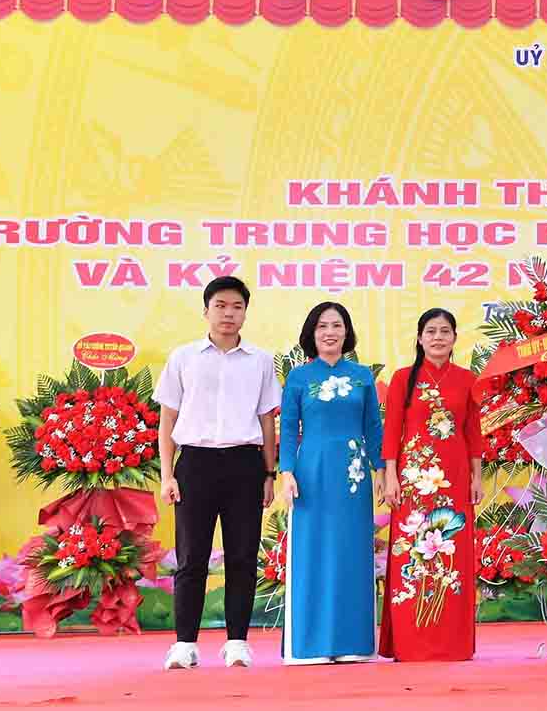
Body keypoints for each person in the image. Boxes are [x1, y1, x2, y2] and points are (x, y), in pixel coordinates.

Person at [156, 276, 282, 670]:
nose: (229, 314)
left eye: (237, 307)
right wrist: (167, 475)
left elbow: (266, 421)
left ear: (246, 312)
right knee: (191, 557)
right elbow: (167, 421)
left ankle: (237, 641)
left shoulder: (260, 360)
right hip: (194, 463)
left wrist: (268, 474)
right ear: (206, 310)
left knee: (242, 557)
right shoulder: (183, 357)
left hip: (245, 464)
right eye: (221, 306)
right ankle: (184, 644)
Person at [277, 302, 385, 665]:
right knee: (314, 552)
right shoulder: (298, 378)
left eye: (337, 325)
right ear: (312, 333)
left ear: (346, 332)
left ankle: (353, 642)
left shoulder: (362, 376)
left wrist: (383, 470)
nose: (330, 332)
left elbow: (374, 428)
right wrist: (287, 470)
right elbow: (289, 428)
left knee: (351, 551)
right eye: (322, 326)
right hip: (310, 473)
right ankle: (311, 645)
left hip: (353, 474)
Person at [379, 308, 485, 662]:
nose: (438, 337)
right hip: (413, 481)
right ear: (420, 338)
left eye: (444, 331)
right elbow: (392, 429)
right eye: (431, 331)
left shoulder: (467, 379)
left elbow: (472, 432)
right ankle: (411, 642)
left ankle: (451, 643)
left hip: (453, 479)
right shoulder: (402, 378)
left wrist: (477, 476)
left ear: (455, 338)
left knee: (451, 554)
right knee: (412, 552)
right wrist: (390, 476)